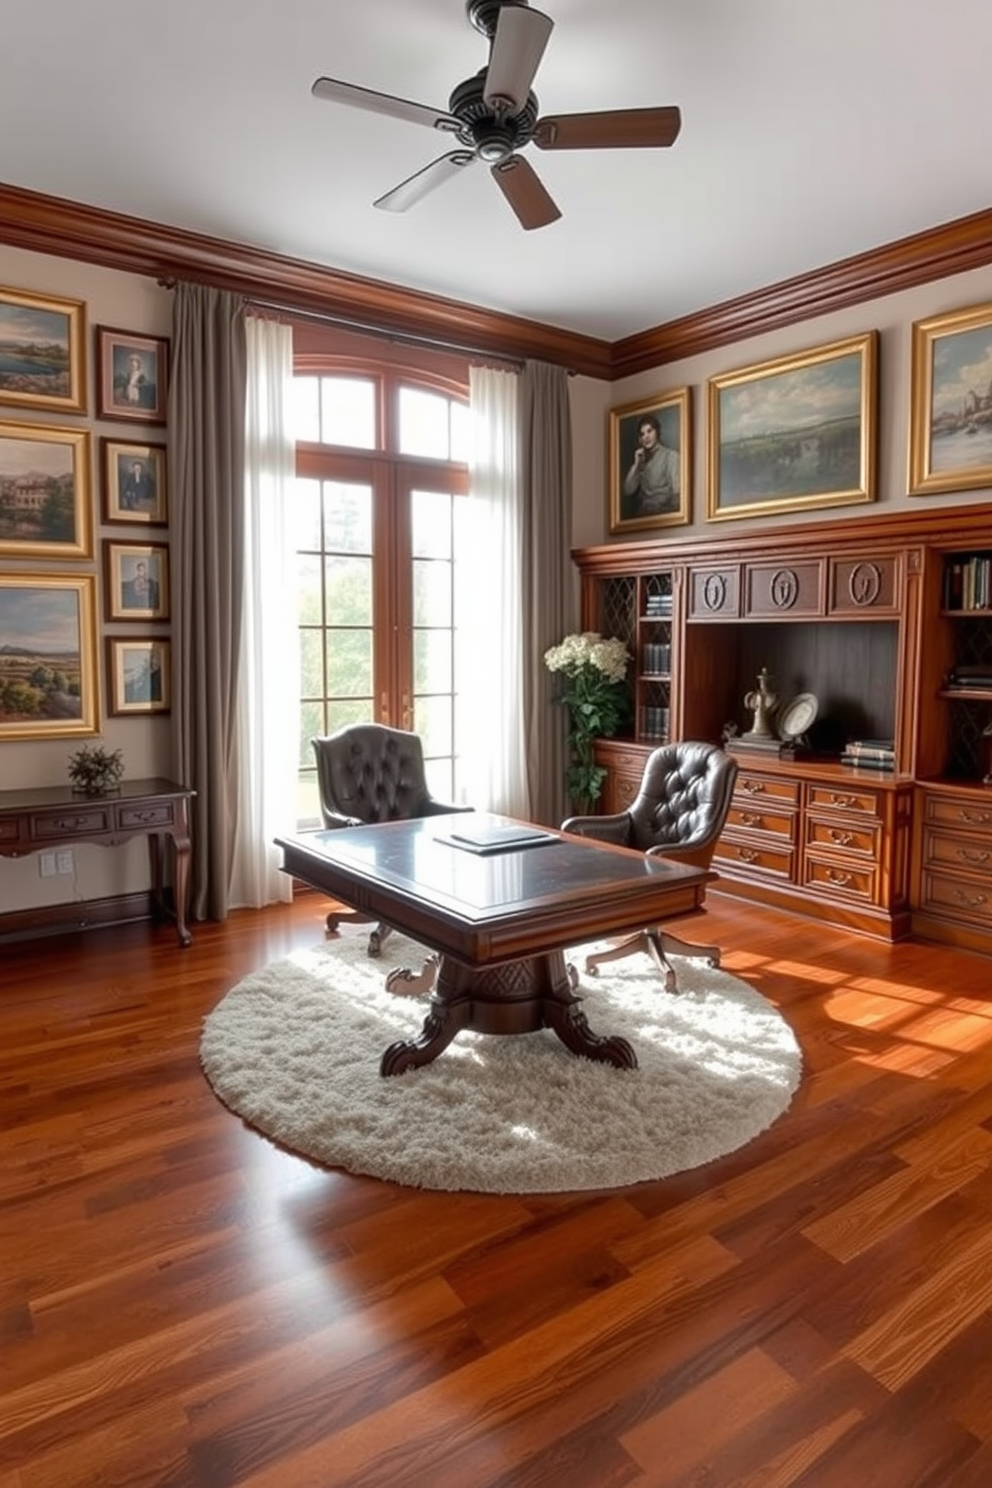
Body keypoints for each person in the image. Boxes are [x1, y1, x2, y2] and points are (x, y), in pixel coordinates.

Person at [622, 414, 680, 517]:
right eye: (642, 434)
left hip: (663, 515)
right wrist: (636, 465)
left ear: (657, 432)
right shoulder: (641, 460)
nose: (646, 437)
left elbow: (677, 494)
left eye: (649, 431)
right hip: (642, 517)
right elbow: (628, 491)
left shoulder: (671, 456)